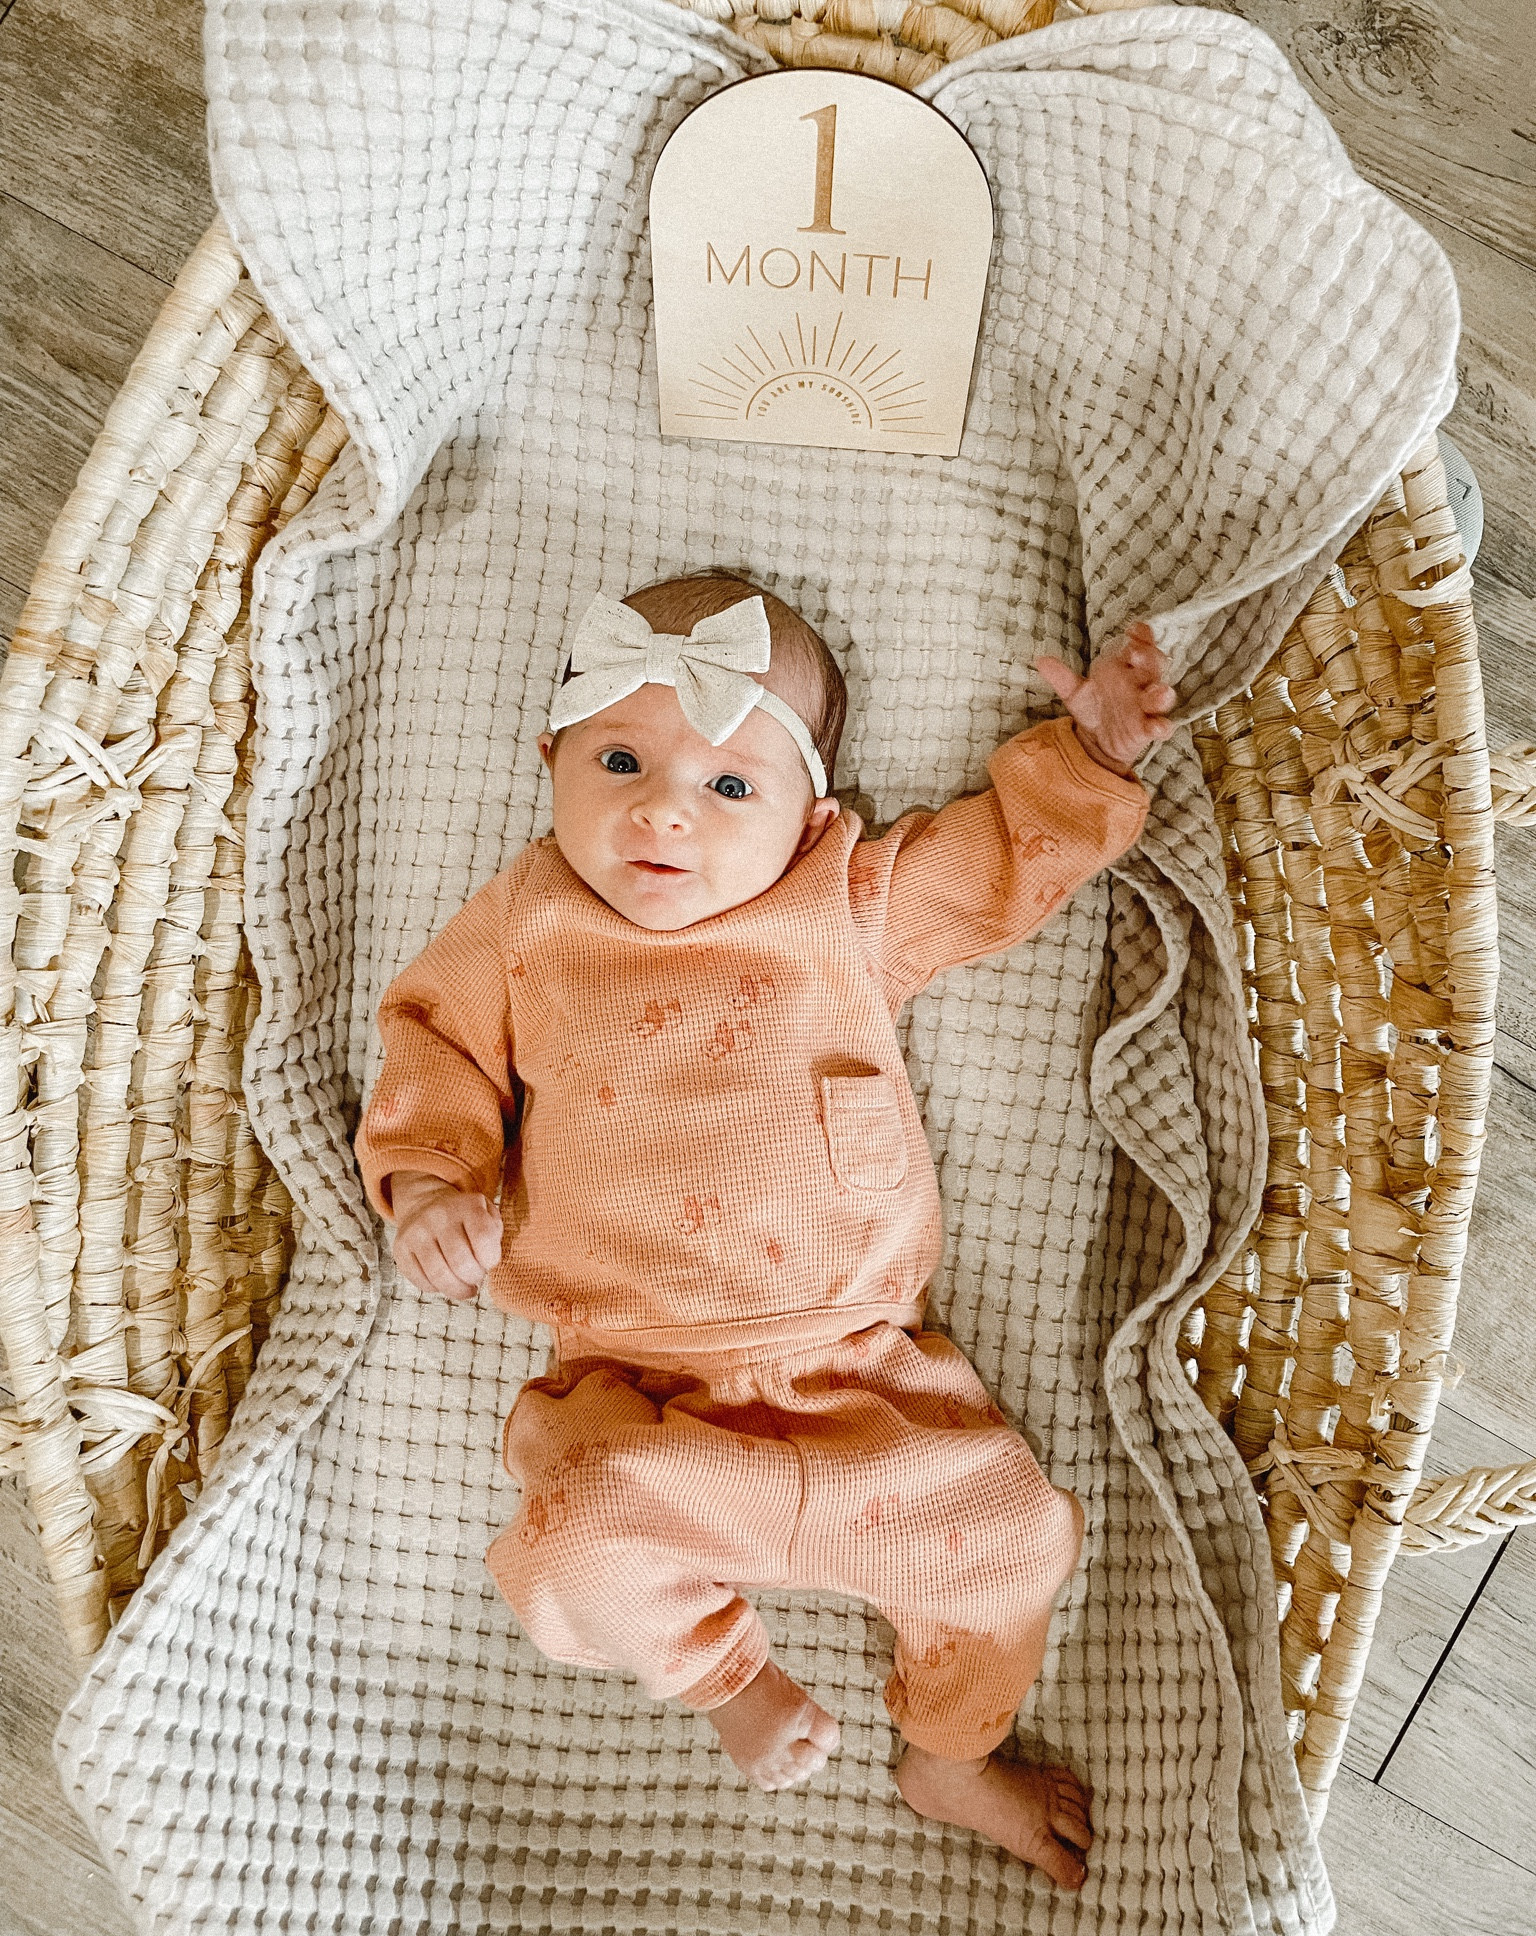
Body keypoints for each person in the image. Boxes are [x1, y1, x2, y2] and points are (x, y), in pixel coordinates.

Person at [356, 571, 1175, 1888]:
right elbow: (432, 1047)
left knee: (1019, 1538)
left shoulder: (838, 906)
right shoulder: (529, 922)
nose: (664, 807)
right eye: (620, 759)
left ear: (812, 815)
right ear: (549, 761)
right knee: (564, 1547)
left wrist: (1089, 756)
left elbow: (992, 870)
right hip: (640, 1401)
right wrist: (433, 1183)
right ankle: (727, 1676)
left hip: (865, 1386)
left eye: (732, 786)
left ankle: (951, 1754)